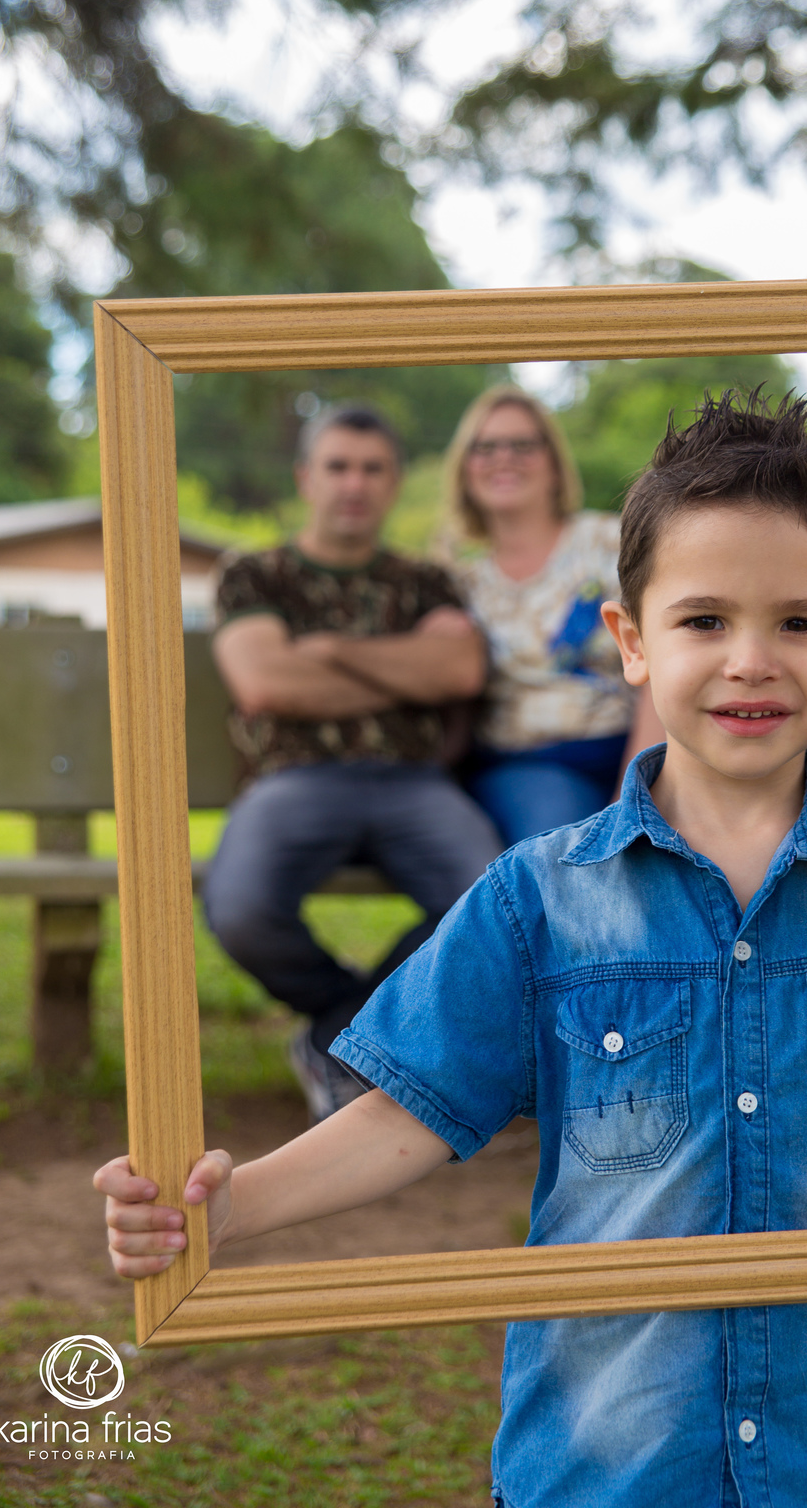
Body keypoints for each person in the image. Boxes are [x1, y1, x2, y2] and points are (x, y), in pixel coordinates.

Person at [98, 391, 807, 1508]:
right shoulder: (539, 895)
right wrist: (226, 1204)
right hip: (607, 1462)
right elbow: (408, 1113)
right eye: (704, 621)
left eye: (801, 624)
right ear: (630, 642)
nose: (752, 661)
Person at [201, 400, 502, 1124]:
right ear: (307, 477)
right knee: (238, 907)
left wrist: (329, 651)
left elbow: (458, 671)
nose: (354, 484)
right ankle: (346, 1024)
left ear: (395, 482)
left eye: (373, 469)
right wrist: (401, 669)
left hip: (414, 784)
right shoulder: (256, 574)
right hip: (293, 784)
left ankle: (340, 1038)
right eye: (338, 466)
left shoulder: (427, 581)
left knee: (488, 904)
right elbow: (265, 682)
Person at [441, 384, 663, 844]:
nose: (505, 458)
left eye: (523, 444)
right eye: (485, 447)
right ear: (465, 469)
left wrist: (635, 791)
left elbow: (663, 660)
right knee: (560, 842)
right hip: (526, 764)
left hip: (631, 746)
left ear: (554, 464)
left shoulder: (608, 543)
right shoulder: (458, 582)